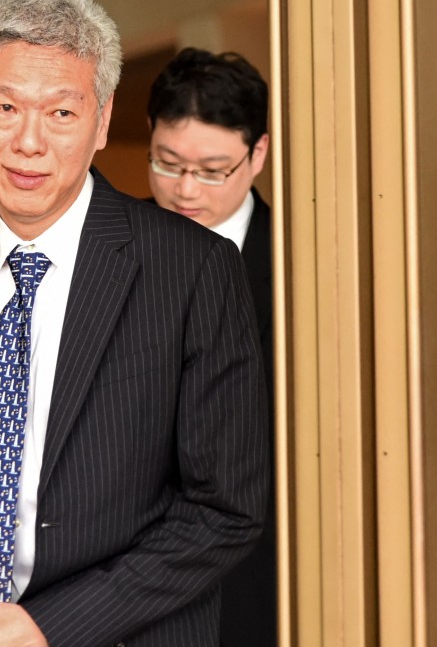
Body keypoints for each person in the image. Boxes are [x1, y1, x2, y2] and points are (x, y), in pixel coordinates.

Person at [0, 0, 269, 647]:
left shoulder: (193, 269)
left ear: (103, 120)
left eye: (60, 113)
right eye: (5, 106)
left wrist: (49, 627)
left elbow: (222, 511)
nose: (29, 142)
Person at [147, 47, 275, 646]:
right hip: (124, 581)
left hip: (257, 579)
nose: (185, 191)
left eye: (212, 170)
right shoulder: (109, 249)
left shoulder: (301, 268)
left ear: (258, 154)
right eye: (168, 164)